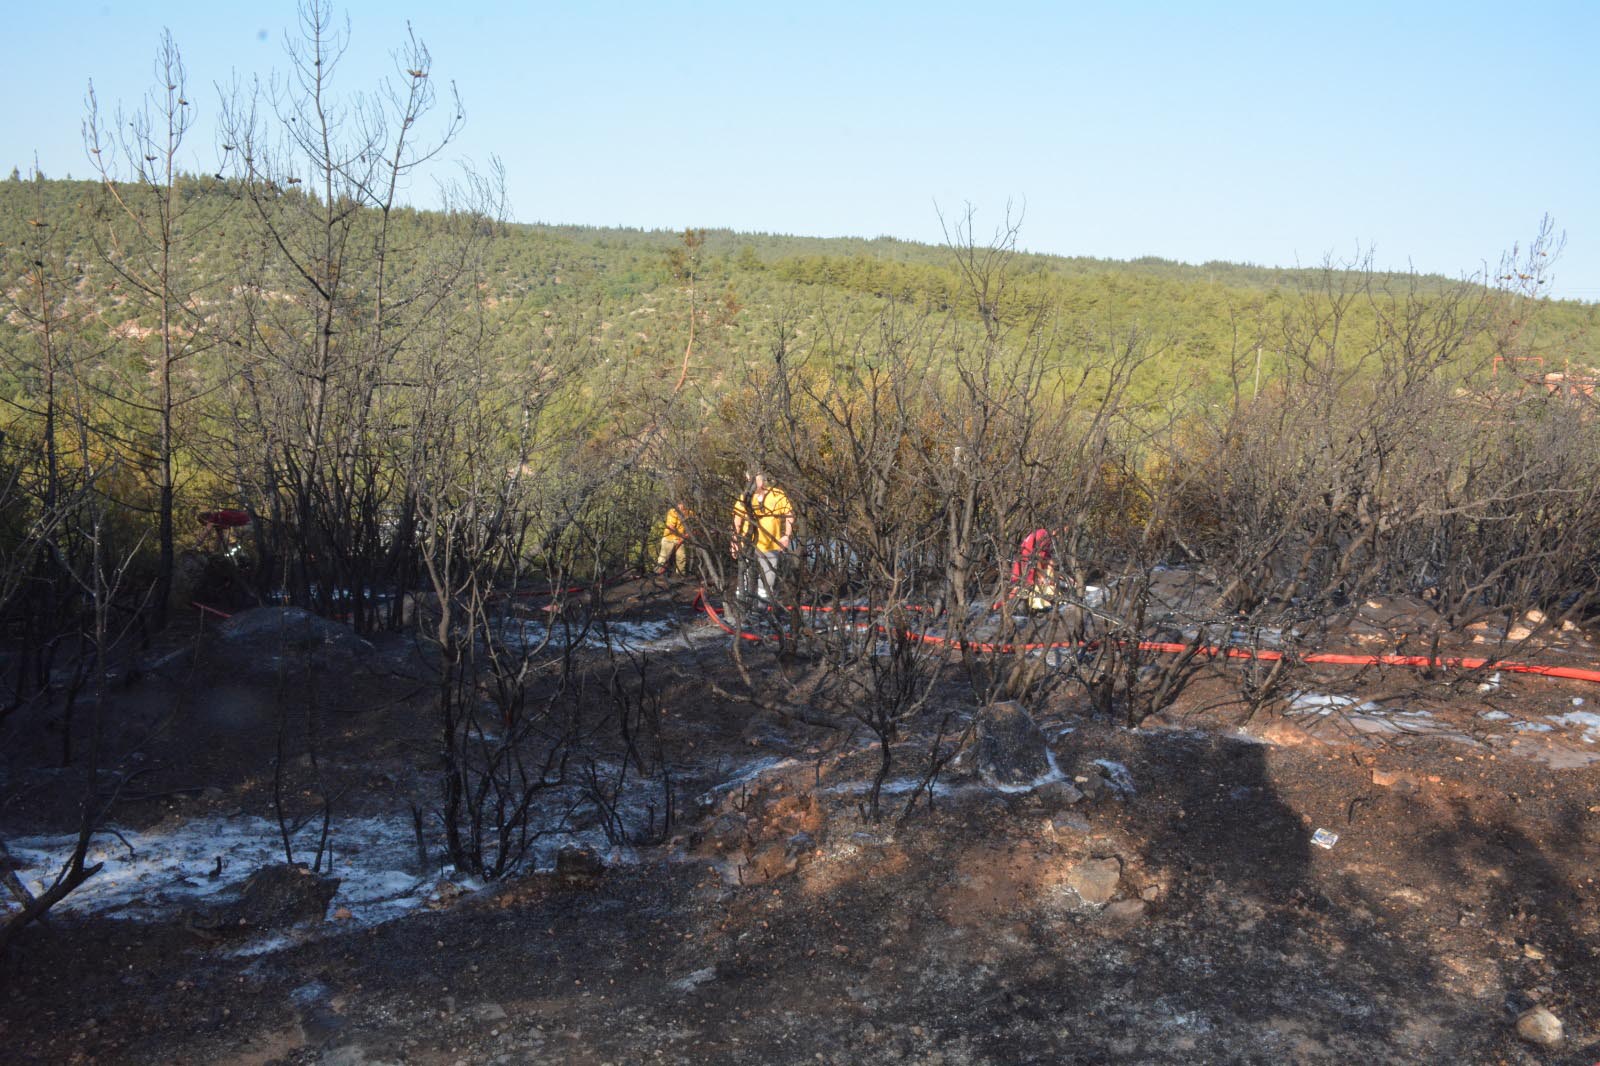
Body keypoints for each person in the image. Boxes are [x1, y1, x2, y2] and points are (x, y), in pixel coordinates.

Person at [732, 471, 794, 603]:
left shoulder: (777, 495)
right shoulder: (745, 496)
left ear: (762, 480)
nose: (753, 483)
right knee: (745, 579)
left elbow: (789, 514)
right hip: (747, 544)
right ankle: (742, 608)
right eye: (749, 480)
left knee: (767, 580)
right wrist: (735, 540)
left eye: (755, 480)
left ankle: (762, 610)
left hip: (770, 545)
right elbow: (737, 519)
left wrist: (786, 536)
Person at [1011, 527, 1058, 611]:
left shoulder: (1043, 535)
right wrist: (1042, 577)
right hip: (1027, 566)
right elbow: (1037, 558)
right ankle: (1039, 605)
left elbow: (1046, 557)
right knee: (1028, 587)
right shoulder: (1043, 536)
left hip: (1025, 564)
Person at [656, 502, 692, 575]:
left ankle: (680, 575)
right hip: (669, 539)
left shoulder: (690, 513)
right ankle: (658, 574)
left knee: (681, 558)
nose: (681, 507)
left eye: (682, 506)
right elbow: (671, 527)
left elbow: (694, 527)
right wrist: (683, 536)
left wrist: (684, 537)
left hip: (681, 539)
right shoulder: (672, 512)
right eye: (679, 505)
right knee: (663, 558)